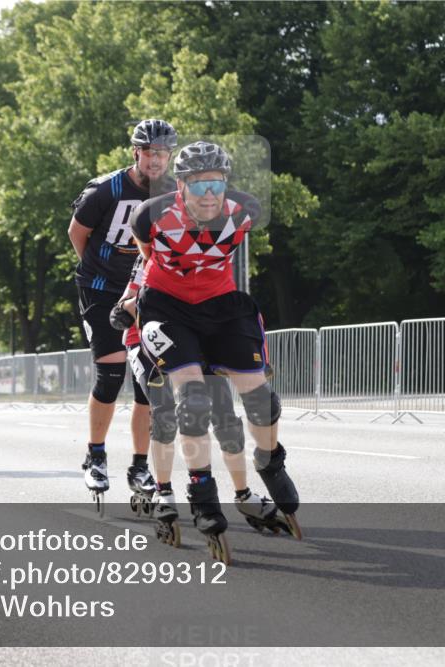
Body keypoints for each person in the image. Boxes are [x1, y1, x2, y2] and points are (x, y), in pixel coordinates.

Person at [130, 141, 301, 558]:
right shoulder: (150, 215)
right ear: (181, 184)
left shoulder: (245, 211)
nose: (209, 193)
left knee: (262, 400)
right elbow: (148, 256)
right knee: (193, 401)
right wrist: (134, 299)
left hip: (222, 304)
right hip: (169, 307)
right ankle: (201, 490)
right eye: (199, 184)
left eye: (217, 183)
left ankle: (270, 461)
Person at [110, 255, 284, 546]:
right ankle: (164, 491)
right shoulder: (152, 256)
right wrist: (127, 307)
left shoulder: (203, 250)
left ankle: (243, 494)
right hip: (144, 341)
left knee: (225, 417)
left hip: (193, 342)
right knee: (166, 413)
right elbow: (122, 305)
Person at [67, 119, 177, 501]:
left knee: (150, 381)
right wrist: (100, 271)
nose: (155, 161)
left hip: (145, 292)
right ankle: (95, 455)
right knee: (111, 372)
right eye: (148, 153)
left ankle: (139, 467)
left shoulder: (174, 193)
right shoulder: (106, 189)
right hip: (99, 289)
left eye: (161, 154)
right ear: (136, 153)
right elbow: (76, 233)